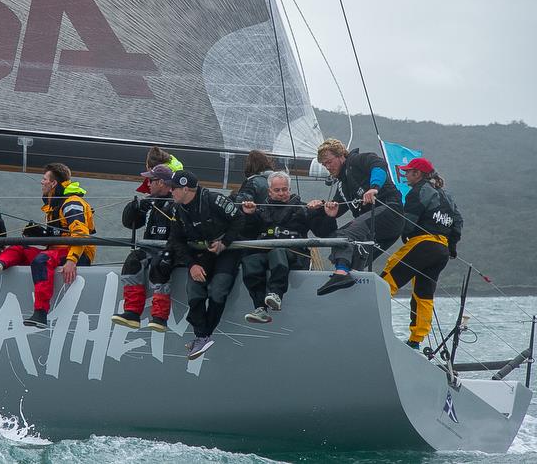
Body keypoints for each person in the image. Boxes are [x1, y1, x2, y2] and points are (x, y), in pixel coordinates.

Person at [0, 163, 96, 329]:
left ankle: (41, 313)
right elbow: (60, 236)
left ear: (54, 183)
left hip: (79, 254)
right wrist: (42, 235)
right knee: (20, 246)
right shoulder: (54, 204)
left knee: (41, 260)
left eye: (44, 179)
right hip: (58, 251)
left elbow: (80, 235)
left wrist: (72, 260)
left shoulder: (72, 203)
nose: (41, 183)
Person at [381, 158, 463, 349]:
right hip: (442, 250)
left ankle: (367, 319)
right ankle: (416, 341)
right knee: (423, 294)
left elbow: (409, 222)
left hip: (422, 243)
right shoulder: (446, 196)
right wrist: (452, 248)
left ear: (417, 174)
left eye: (408, 172)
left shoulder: (417, 192)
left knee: (387, 280)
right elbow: (458, 222)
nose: (405, 175)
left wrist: (404, 234)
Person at [162, 169, 243, 360]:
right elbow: (176, 240)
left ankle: (203, 336)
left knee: (218, 290)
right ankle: (202, 335)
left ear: (186, 189)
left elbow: (239, 218)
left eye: (173, 188)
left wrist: (225, 242)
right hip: (200, 255)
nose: (170, 191)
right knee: (195, 290)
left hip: (226, 252)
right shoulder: (176, 209)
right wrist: (191, 265)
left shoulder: (214, 199)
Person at [307, 139, 404, 295]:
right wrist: (326, 211)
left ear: (341, 156)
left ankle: (341, 274)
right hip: (376, 227)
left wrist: (374, 188)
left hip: (389, 211)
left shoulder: (357, 160)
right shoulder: (342, 186)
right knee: (340, 241)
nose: (328, 167)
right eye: (324, 165)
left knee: (344, 236)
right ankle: (351, 278)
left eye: (329, 162)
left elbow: (379, 166)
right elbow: (336, 211)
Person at [240, 171, 336, 323]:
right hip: (266, 253)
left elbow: (324, 232)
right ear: (269, 191)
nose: (281, 193)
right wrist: (249, 215)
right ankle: (260, 308)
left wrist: (328, 215)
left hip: (295, 255)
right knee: (250, 261)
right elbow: (247, 233)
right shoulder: (259, 210)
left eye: (284, 189)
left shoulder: (303, 208)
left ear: (289, 190)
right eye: (277, 190)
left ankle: (276, 294)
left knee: (277, 252)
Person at [111, 164, 176, 332]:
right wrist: (136, 208)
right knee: (132, 260)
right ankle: (132, 313)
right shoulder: (150, 200)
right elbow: (128, 223)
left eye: (151, 180)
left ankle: (160, 318)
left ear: (161, 182)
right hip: (150, 247)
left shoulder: (177, 201)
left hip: (171, 249)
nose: (147, 184)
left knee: (159, 265)